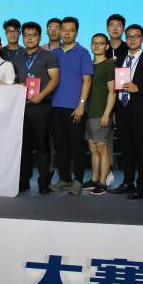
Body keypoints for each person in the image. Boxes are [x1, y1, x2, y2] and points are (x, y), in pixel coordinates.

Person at [108, 25, 143, 199]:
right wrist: (115, 110)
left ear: (142, 39)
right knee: (126, 150)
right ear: (126, 39)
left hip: (141, 112)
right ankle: (128, 182)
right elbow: (116, 88)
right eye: (129, 36)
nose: (132, 39)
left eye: (136, 36)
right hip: (122, 111)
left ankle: (141, 186)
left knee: (142, 150)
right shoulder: (120, 59)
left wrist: (139, 88)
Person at [13, 22, 59, 193]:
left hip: (42, 106)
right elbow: (14, 80)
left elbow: (55, 79)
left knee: (42, 146)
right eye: (26, 35)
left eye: (33, 35)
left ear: (40, 37)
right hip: (21, 107)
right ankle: (23, 181)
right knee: (23, 146)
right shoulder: (17, 58)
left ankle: (44, 182)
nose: (29, 38)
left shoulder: (49, 56)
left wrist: (41, 95)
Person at [50, 16, 93, 195]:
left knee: (77, 146)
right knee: (61, 145)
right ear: (60, 31)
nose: (67, 33)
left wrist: (81, 105)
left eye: (71, 30)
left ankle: (78, 180)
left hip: (75, 108)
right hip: (56, 106)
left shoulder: (83, 52)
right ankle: (64, 178)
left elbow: (87, 80)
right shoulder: (54, 53)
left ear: (77, 32)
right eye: (64, 29)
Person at [82, 33, 116, 196]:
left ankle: (103, 183)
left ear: (107, 46)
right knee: (93, 148)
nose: (96, 45)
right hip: (88, 113)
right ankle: (94, 179)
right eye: (94, 43)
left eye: (100, 43)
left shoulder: (109, 65)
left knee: (102, 148)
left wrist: (106, 114)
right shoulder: (88, 65)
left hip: (101, 113)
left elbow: (112, 92)